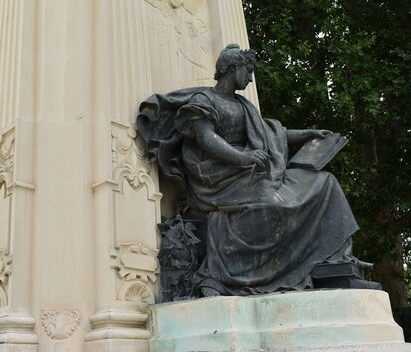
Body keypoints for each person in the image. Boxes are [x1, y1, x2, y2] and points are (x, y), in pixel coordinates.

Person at [137, 44, 370, 297]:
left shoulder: (244, 105)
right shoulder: (204, 101)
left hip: (255, 170)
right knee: (274, 203)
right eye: (247, 71)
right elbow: (206, 138)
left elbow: (274, 134)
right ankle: (235, 275)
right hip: (219, 178)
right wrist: (242, 158)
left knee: (325, 182)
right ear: (231, 68)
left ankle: (335, 259)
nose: (249, 78)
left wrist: (309, 135)